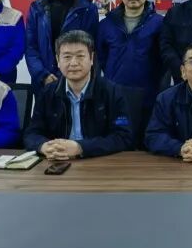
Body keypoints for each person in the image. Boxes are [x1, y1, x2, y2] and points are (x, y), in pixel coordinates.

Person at [24, 31, 132, 159]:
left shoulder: (112, 92)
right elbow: (31, 134)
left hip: (98, 161)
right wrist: (43, 146)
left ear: (91, 58)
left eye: (80, 56)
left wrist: (81, 147)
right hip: (57, 161)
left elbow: (123, 137)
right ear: (58, 60)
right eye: (67, 57)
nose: (74, 63)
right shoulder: (47, 93)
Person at [96, 0, 163, 139]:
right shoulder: (106, 24)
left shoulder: (159, 23)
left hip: (148, 93)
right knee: (116, 139)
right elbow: (101, 56)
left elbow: (163, 58)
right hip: (114, 91)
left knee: (145, 140)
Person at [25, 0, 99, 89]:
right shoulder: (37, 7)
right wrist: (42, 75)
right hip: (44, 79)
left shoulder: (87, 9)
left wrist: (71, 74)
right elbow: (30, 46)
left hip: (75, 78)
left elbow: (90, 46)